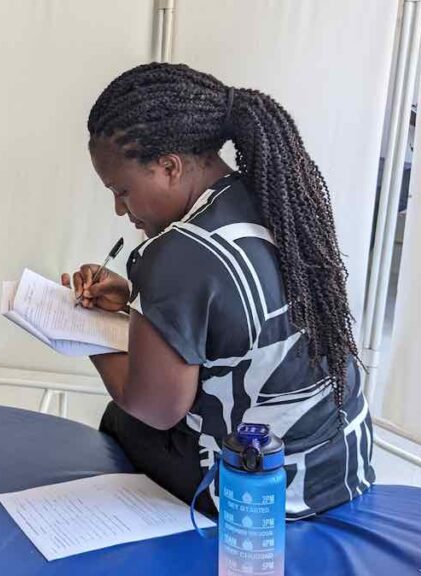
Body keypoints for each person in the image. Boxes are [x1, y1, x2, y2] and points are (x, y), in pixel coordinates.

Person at [62, 63, 375, 519]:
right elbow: (238, 322)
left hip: (265, 493)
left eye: (122, 191)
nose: (118, 209)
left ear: (169, 167)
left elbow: (156, 408)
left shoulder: (175, 254)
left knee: (122, 420)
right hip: (342, 464)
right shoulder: (272, 196)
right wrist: (134, 303)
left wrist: (84, 329)